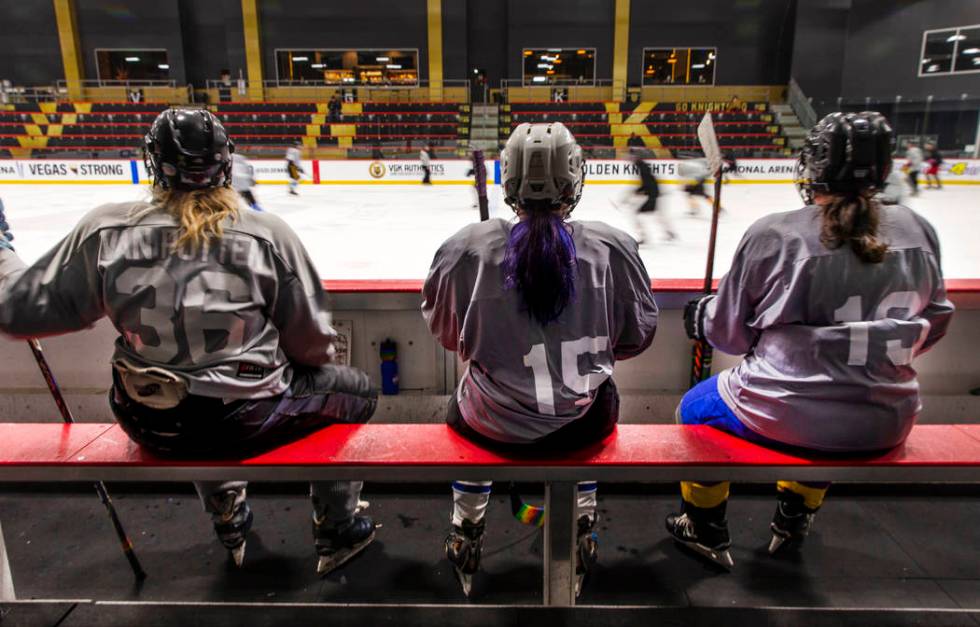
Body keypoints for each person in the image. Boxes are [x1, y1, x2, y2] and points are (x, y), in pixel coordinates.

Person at [0, 109, 380, 575]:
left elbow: (19, 311)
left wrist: (1, 247)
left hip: (145, 418)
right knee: (353, 390)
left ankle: (228, 512)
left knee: (192, 388)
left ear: (152, 164)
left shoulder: (104, 230)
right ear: (224, 164)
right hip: (243, 421)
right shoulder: (264, 234)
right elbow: (313, 348)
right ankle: (337, 528)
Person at [668, 111, 954, 569]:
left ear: (813, 166)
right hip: (887, 419)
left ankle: (703, 526)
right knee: (837, 407)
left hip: (784, 414)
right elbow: (935, 320)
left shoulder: (775, 233)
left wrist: (701, 316)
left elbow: (729, 334)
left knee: (693, 409)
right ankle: (795, 514)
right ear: (883, 169)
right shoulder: (919, 231)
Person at [422, 122, 659, 597]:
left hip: (492, 423)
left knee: (466, 405)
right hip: (580, 423)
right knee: (600, 396)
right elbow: (636, 337)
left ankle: (466, 529)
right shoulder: (613, 247)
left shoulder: (466, 248)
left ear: (506, 179)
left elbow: (448, 336)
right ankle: (584, 520)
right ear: (575, 179)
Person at [631, 150, 676, 243]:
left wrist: (638, 190)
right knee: (657, 215)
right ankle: (669, 232)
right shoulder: (642, 166)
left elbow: (648, 182)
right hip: (654, 195)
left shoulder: (642, 168)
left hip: (653, 195)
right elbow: (649, 182)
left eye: (632, 157)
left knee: (637, 214)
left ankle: (643, 236)